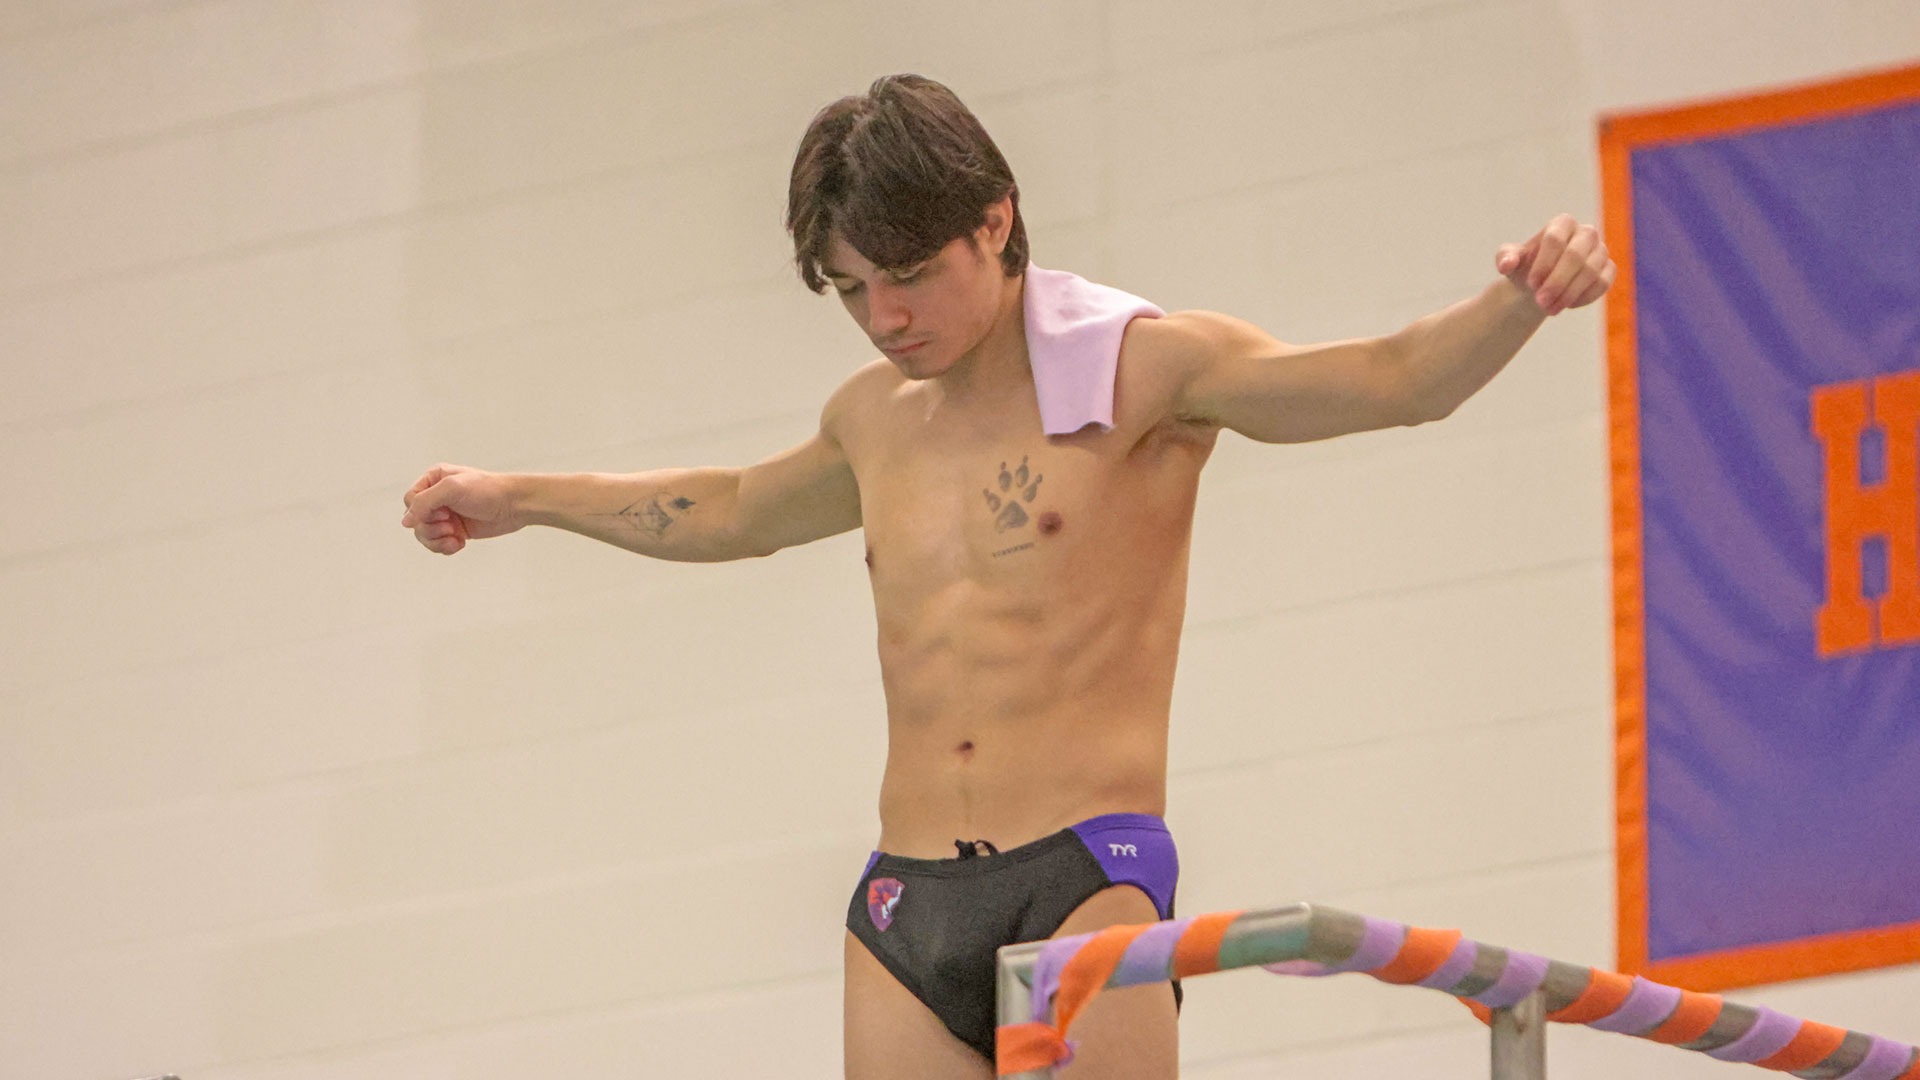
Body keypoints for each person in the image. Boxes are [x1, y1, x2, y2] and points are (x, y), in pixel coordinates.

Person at [401, 73, 1614, 1079]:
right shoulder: (873, 420)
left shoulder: (1143, 368)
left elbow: (1394, 381)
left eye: (909, 275)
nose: (885, 316)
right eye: (851, 288)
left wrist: (1522, 300)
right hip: (903, 907)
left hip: (1081, 876)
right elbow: (728, 511)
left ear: (995, 218)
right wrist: (522, 500)